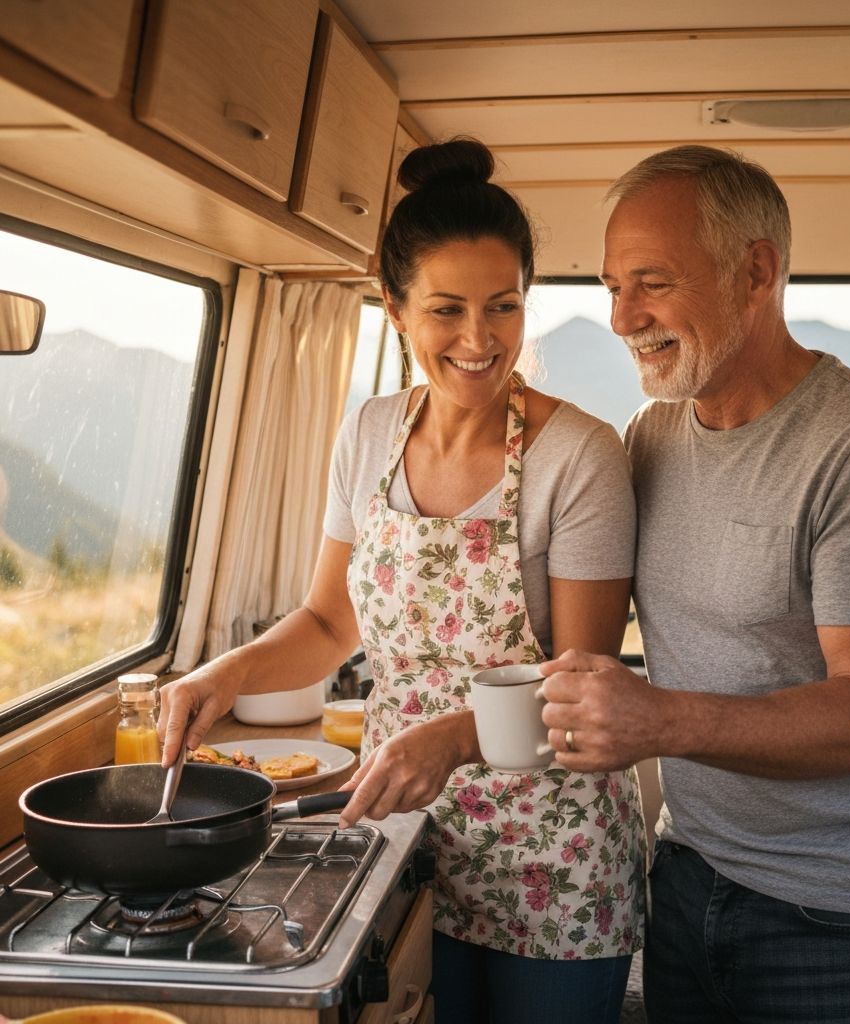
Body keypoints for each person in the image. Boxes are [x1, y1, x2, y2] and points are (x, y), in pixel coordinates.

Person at [159, 137, 646, 1024]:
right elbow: (326, 621)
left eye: (503, 307)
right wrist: (218, 676)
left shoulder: (580, 455)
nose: (478, 339)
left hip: (554, 859)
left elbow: (581, 691)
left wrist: (450, 739)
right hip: (402, 838)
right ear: (393, 307)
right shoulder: (369, 433)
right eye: (446, 309)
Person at [539, 145, 850, 1023]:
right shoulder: (648, 440)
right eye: (610, 286)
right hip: (691, 868)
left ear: (756, 272)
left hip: (846, 914)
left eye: (651, 281)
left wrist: (655, 718)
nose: (623, 318)